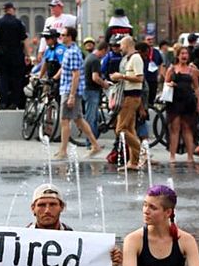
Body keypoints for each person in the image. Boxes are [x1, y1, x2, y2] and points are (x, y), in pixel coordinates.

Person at [54, 26, 102, 159]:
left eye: (63, 35)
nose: (61, 37)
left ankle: (63, 151)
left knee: (65, 120)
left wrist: (71, 95)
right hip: (67, 89)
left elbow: (76, 74)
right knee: (79, 120)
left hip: (70, 90)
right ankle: (95, 145)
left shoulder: (73, 52)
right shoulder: (68, 51)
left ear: (70, 37)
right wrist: (54, 78)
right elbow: (64, 69)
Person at [111, 36, 145, 170]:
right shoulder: (129, 59)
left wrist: (121, 76)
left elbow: (139, 78)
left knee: (120, 129)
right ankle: (133, 162)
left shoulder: (136, 58)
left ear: (128, 45)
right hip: (128, 96)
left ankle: (143, 152)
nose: (120, 48)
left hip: (131, 98)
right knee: (130, 129)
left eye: (122, 45)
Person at [0, 2, 31, 110]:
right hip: (16, 56)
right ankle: (14, 102)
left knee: (2, 79)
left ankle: (3, 102)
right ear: (12, 10)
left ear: (4, 10)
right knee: (16, 80)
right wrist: (28, 55)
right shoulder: (18, 23)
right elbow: (24, 39)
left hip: (2, 55)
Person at [164, 45, 199, 163]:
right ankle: (172, 156)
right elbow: (166, 82)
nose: (184, 56)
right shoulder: (172, 69)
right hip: (174, 101)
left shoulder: (192, 70)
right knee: (174, 128)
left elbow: (196, 88)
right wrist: (170, 84)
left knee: (188, 128)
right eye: (182, 54)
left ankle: (190, 156)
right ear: (178, 56)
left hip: (188, 101)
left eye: (186, 54)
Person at [83, 41, 109, 141]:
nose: (105, 56)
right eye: (105, 53)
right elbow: (95, 77)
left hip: (87, 89)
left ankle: (93, 141)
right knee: (91, 117)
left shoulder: (89, 57)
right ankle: (90, 143)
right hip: (91, 91)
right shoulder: (95, 60)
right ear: (103, 50)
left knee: (93, 115)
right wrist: (104, 84)